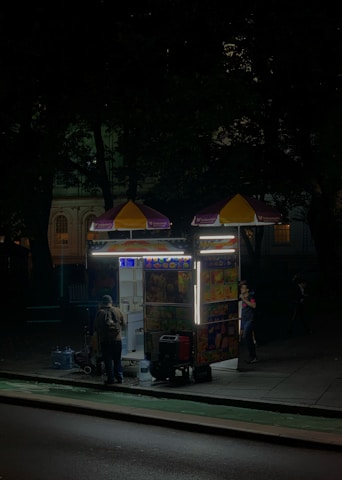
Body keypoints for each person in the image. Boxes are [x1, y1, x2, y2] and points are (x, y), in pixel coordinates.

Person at [94, 295, 126, 385]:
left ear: (102, 303)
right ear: (111, 302)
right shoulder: (118, 310)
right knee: (117, 359)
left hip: (105, 340)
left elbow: (96, 327)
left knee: (107, 360)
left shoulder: (100, 313)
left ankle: (110, 379)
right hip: (117, 340)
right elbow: (124, 324)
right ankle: (119, 377)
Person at [239, 280, 258, 364]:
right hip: (245, 320)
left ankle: (253, 356)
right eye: (241, 288)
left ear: (247, 289)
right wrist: (241, 326)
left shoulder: (250, 296)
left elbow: (254, 305)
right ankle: (253, 356)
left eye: (243, 288)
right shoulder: (242, 298)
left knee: (247, 336)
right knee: (247, 337)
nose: (242, 289)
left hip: (250, 319)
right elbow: (243, 312)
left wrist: (244, 299)